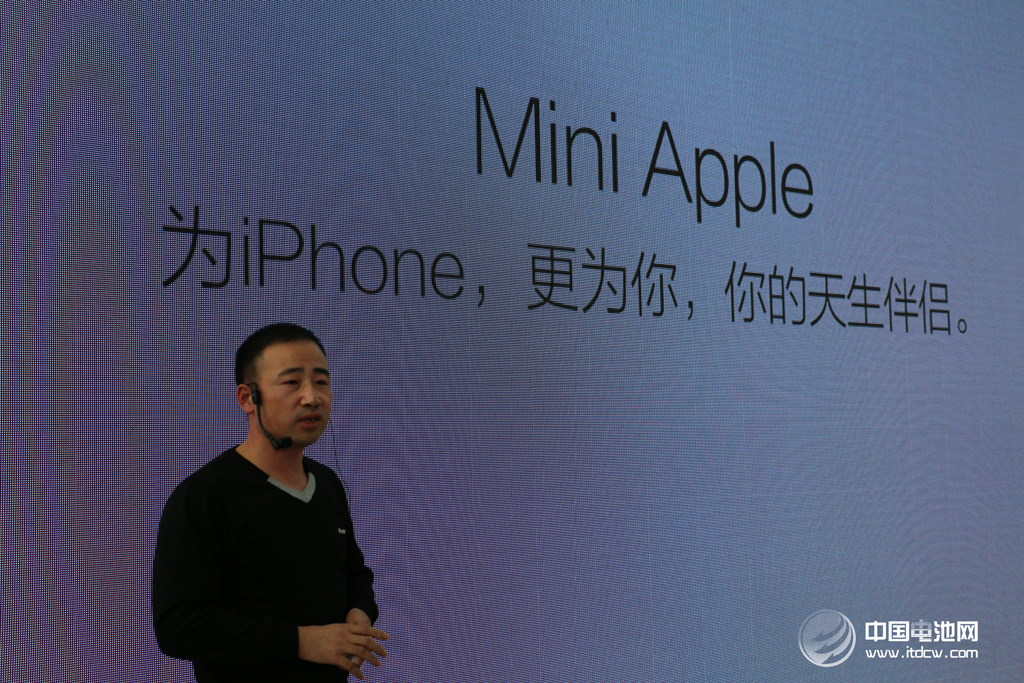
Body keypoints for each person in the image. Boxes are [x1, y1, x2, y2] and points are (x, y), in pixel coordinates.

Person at [152, 323, 389, 682]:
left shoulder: (327, 483)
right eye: (292, 382)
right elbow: (180, 626)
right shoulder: (205, 496)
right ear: (248, 398)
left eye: (321, 382)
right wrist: (302, 641)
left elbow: (354, 572)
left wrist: (360, 611)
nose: (311, 397)